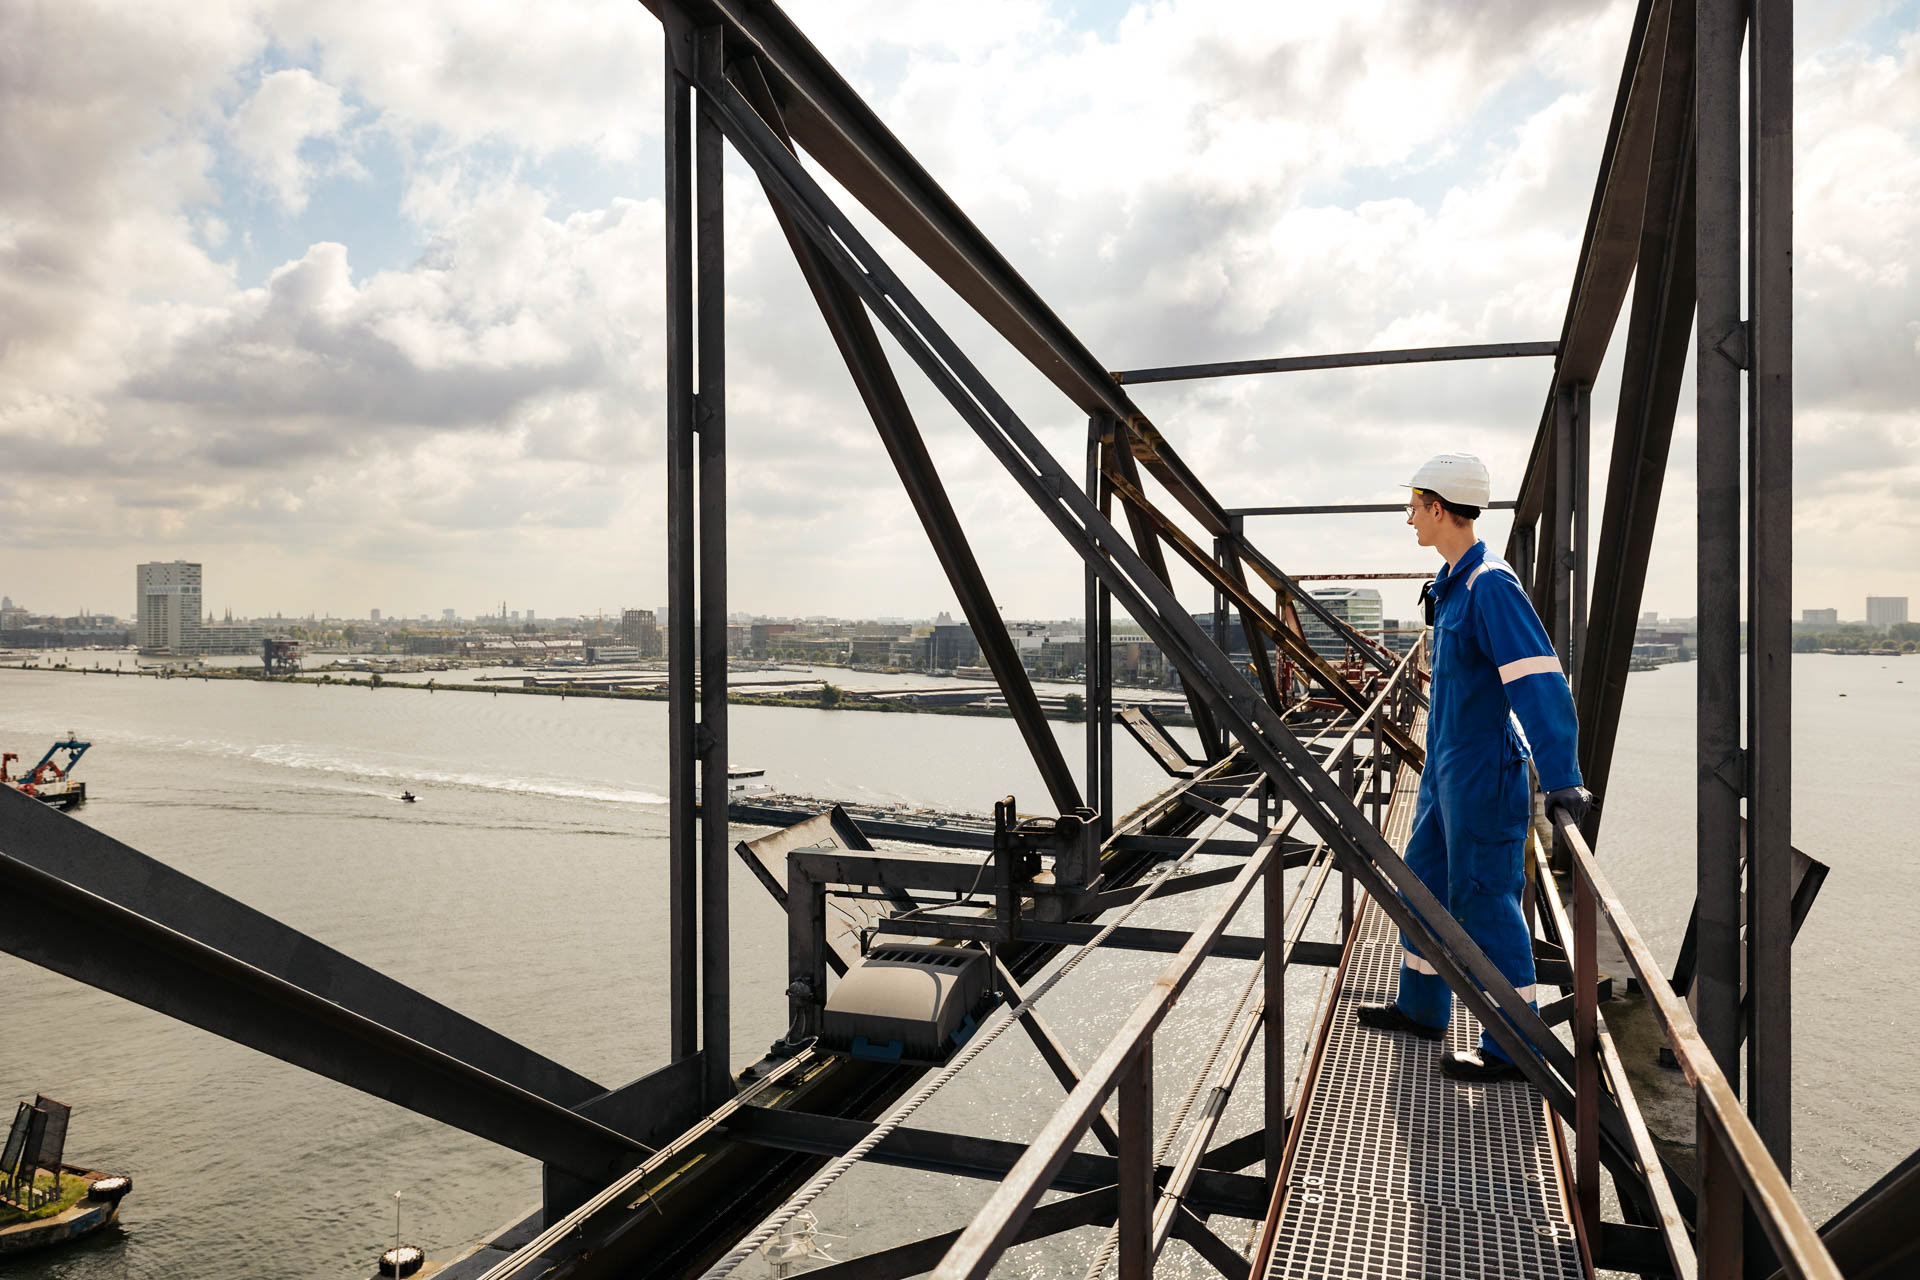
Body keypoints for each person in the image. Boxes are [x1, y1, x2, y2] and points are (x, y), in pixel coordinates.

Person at [1356, 452, 1592, 1082]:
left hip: (1485, 773)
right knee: (1425, 882)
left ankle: (1516, 1045)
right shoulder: (1453, 583)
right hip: (1445, 768)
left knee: (1486, 899)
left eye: (1413, 506)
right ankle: (1424, 1006)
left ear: (1438, 508)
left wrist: (1562, 774)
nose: (1408, 519)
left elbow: (1537, 680)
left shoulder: (1490, 584)